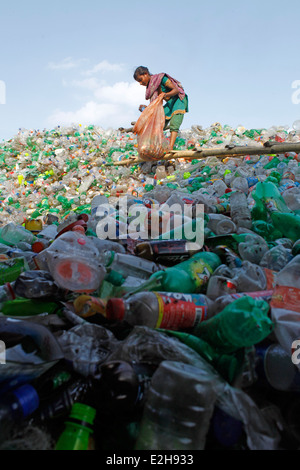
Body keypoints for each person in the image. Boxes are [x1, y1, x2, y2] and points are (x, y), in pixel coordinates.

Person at [133, 66, 189, 151]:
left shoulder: (160, 78)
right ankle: (155, 146)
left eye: (140, 80)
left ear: (145, 74)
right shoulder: (151, 87)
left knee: (175, 122)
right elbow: (154, 105)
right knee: (159, 123)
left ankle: (170, 147)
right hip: (170, 103)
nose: (140, 83)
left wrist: (165, 95)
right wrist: (146, 108)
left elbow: (176, 90)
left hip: (178, 100)